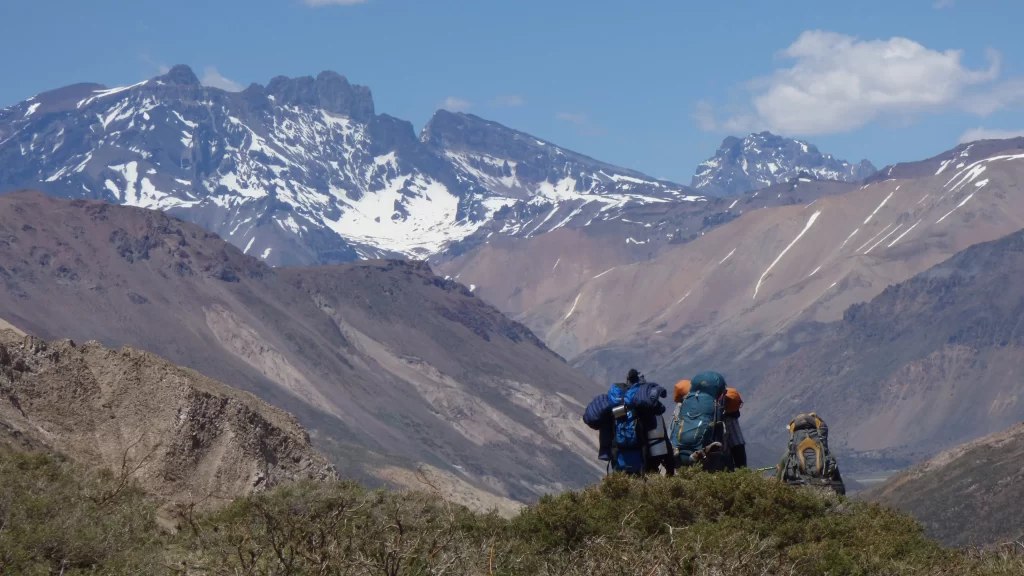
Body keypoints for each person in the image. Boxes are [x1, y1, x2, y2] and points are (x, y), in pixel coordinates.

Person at [583, 368, 672, 476]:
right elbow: (663, 440)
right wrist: (670, 469)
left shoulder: (615, 405)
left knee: (622, 485)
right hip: (644, 458)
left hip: (618, 456)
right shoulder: (646, 407)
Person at [673, 378, 746, 468]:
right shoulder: (725, 409)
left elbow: (672, 433)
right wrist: (743, 470)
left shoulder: (683, 406)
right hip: (715, 463)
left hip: (681, 460)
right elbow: (737, 445)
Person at [775, 412, 846, 495]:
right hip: (825, 498)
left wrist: (779, 471)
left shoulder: (787, 457)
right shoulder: (828, 456)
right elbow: (840, 488)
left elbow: (778, 485)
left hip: (798, 499)